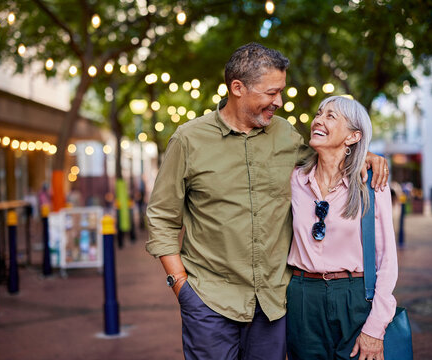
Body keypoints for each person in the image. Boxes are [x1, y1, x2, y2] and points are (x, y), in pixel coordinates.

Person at [146, 43, 389, 360]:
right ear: (238, 88)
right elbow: (162, 218)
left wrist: (362, 154)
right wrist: (181, 286)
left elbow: (324, 164)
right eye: (271, 93)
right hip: (209, 300)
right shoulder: (189, 139)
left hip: (273, 305)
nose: (280, 101)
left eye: (281, 91)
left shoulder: (285, 135)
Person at [286, 96, 397, 360]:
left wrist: (376, 327)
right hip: (303, 297)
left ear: (352, 136)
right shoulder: (295, 180)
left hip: (354, 297)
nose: (318, 120)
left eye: (331, 116)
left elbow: (387, 260)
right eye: (319, 114)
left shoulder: (372, 184)